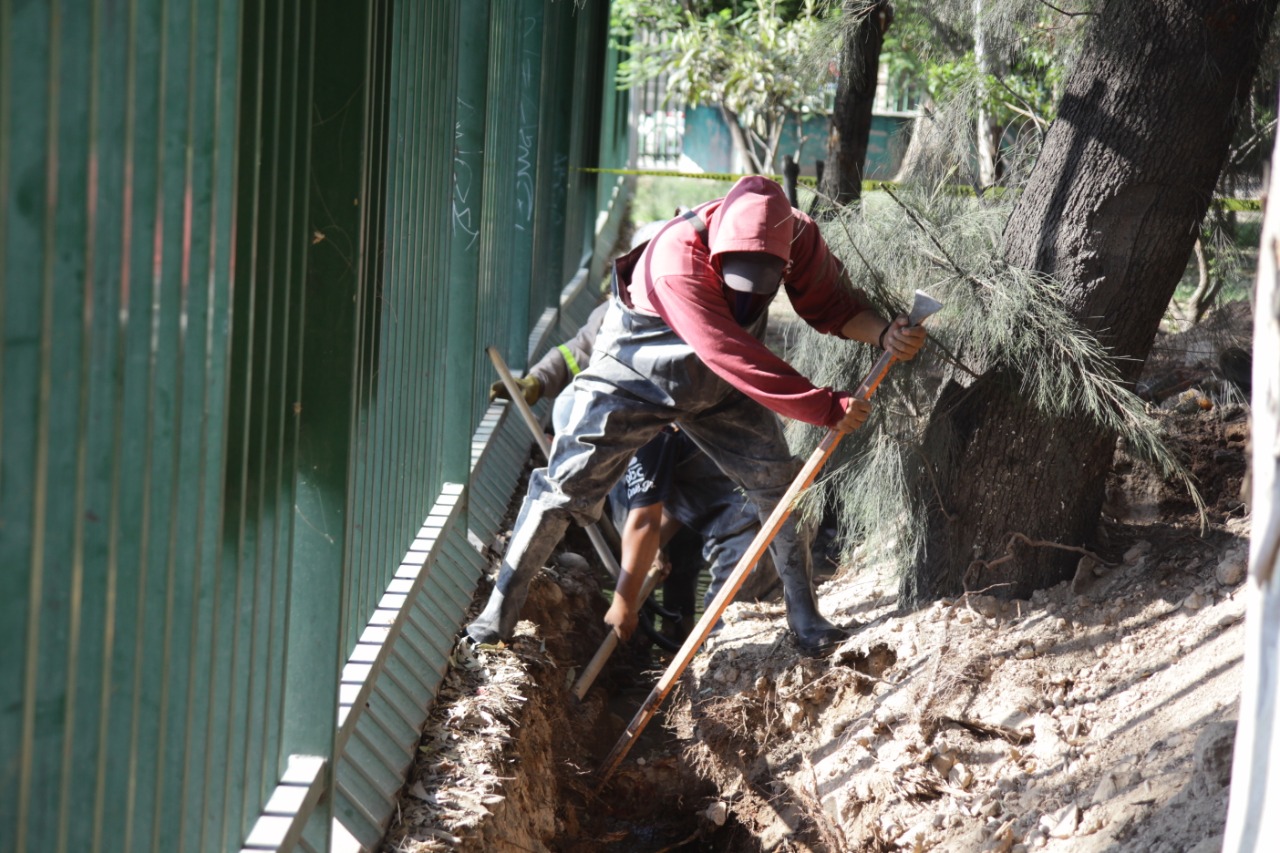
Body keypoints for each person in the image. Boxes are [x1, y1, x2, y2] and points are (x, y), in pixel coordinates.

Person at [468, 175, 926, 656]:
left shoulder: (797, 234)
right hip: (635, 374)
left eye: (758, 292)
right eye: (735, 287)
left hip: (721, 387)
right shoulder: (676, 260)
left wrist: (883, 333)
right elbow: (724, 350)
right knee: (562, 488)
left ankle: (805, 616)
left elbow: (830, 304)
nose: (746, 302)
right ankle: (495, 618)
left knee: (778, 486)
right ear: (718, 250)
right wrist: (823, 406)